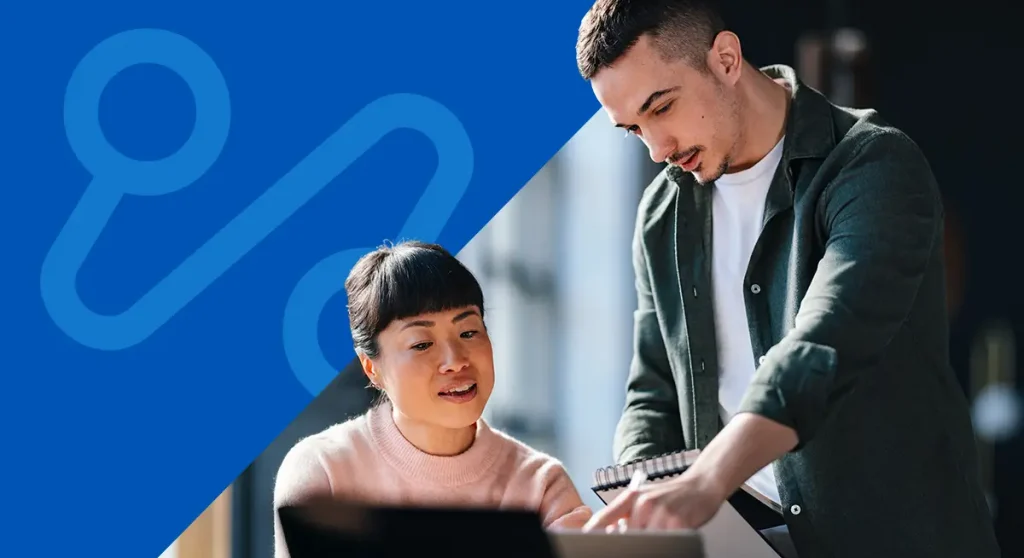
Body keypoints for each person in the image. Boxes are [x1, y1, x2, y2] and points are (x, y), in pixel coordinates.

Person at [573, 1, 1001, 557]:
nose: (658, 149)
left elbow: (822, 346)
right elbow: (654, 389)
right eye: (633, 129)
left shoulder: (875, 166)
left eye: (663, 107)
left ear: (726, 58)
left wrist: (706, 483)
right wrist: (641, 504)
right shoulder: (662, 215)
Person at [272, 241, 592, 557]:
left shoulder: (541, 485)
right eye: (422, 344)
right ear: (372, 368)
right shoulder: (324, 470)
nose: (455, 360)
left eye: (468, 332)